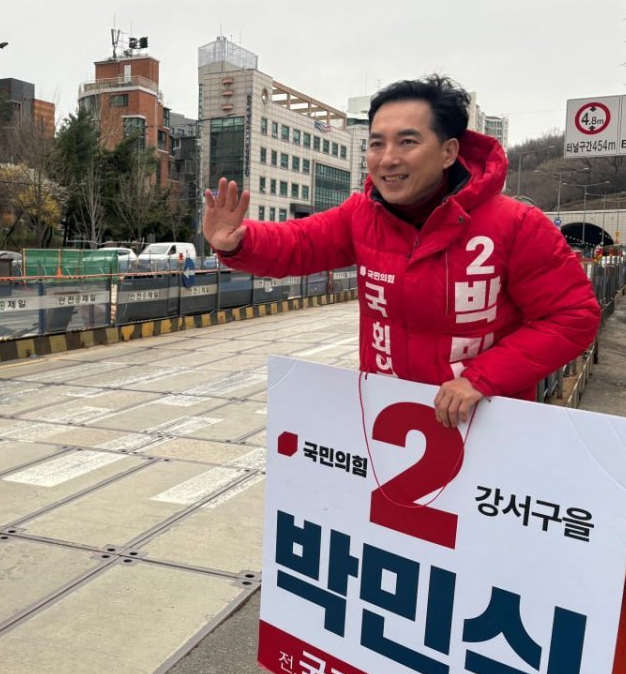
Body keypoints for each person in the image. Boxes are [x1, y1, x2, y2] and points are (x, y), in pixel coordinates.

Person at [202, 75, 601, 428]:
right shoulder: (362, 215)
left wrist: (482, 378)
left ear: (448, 152)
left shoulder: (516, 224)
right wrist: (241, 241)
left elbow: (573, 316)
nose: (388, 158)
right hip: (388, 420)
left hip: (486, 430)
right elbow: (299, 243)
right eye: (377, 144)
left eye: (407, 141)